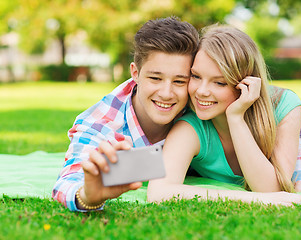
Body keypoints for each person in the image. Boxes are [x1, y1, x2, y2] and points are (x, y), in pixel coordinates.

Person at [147, 26, 301, 206]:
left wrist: (236, 118)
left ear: (246, 83)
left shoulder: (284, 106)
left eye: (220, 82)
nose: (201, 91)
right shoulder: (191, 127)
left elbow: (272, 188)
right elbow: (159, 191)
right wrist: (254, 199)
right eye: (196, 76)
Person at [52, 17, 200, 211]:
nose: (166, 93)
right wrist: (88, 196)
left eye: (180, 81)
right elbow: (70, 180)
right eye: (155, 78)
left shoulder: (199, 106)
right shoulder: (102, 124)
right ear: (135, 73)